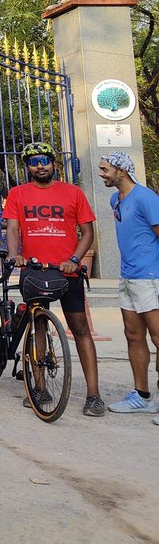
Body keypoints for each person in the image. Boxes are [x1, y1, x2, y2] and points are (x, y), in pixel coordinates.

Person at [3, 141, 103, 417]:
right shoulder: (18, 194)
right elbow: (12, 227)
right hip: (34, 269)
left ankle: (94, 395)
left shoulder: (73, 193)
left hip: (67, 270)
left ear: (53, 163)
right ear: (27, 167)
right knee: (38, 326)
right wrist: (15, 255)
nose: (40, 166)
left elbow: (87, 232)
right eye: (34, 162)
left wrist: (74, 260)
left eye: (45, 160)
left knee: (80, 328)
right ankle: (40, 387)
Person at [98, 152, 159, 420]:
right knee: (133, 335)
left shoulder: (146, 198)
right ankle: (142, 395)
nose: (101, 173)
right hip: (129, 277)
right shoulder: (115, 199)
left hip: (151, 277)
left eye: (105, 169)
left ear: (121, 171)